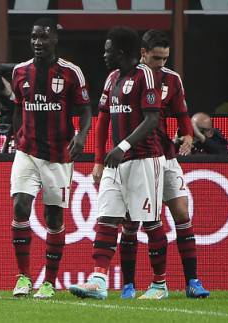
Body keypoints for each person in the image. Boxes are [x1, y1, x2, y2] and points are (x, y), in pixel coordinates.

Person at [69, 26, 165, 300]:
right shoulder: (112, 78)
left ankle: (159, 285)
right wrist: (99, 159)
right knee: (107, 218)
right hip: (115, 162)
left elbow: (152, 119)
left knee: (150, 222)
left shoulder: (145, 75)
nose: (104, 54)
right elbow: (102, 118)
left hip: (144, 160)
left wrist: (122, 146)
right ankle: (99, 281)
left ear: (122, 52)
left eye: (108, 50)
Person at [118, 29, 210, 299]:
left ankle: (193, 281)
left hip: (166, 156)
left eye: (165, 58)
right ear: (143, 53)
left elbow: (182, 112)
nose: (161, 64)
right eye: (156, 58)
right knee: (134, 221)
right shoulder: (128, 78)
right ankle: (129, 285)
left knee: (181, 214)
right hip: (138, 159)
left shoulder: (172, 79)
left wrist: (189, 136)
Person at [10, 17, 92, 298]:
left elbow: (85, 109)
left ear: (55, 39)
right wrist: (12, 136)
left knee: (53, 217)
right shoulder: (20, 71)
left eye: (43, 37)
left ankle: (49, 282)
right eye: (34, 37)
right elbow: (16, 108)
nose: (37, 42)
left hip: (59, 155)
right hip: (26, 152)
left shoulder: (71, 72)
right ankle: (23, 277)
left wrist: (81, 136)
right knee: (20, 206)